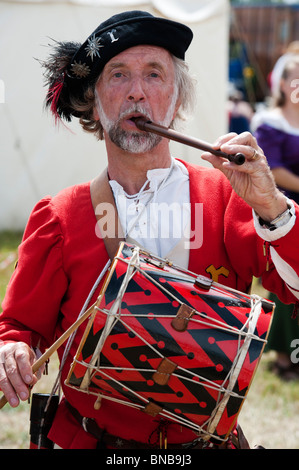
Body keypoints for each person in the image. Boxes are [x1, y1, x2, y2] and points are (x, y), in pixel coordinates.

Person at [1, 10, 299, 450]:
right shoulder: (60, 217)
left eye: (154, 75)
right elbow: (18, 326)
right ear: (94, 103)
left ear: (176, 101)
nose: (137, 92)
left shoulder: (227, 199)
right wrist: (12, 349)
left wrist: (272, 205)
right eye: (118, 75)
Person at [252, 55, 299, 380]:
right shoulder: (268, 121)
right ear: (282, 84)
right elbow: (272, 169)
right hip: (281, 211)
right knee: (286, 283)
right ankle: (284, 357)